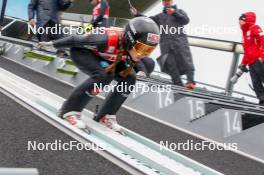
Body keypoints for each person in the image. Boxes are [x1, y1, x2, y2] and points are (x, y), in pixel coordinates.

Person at [38, 17, 160, 131]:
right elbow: (75, 39)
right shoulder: (105, 39)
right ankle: (69, 110)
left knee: (130, 77)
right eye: (142, 49)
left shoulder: (131, 49)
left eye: (149, 50)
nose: (143, 54)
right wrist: (52, 44)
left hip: (107, 58)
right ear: (129, 39)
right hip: (83, 52)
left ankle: (105, 115)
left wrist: (142, 71)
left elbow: (138, 63)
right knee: (104, 75)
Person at [130, 0, 196, 89]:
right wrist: (137, 14)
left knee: (186, 61)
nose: (166, 2)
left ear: (172, 1)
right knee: (171, 65)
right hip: (166, 45)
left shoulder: (180, 11)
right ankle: (178, 86)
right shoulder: (159, 16)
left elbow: (186, 20)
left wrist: (174, 13)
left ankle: (190, 81)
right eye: (164, 1)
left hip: (180, 42)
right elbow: (148, 20)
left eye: (168, 0)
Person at [238, 12, 264, 106]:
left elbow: (263, 40)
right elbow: (247, 52)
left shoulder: (254, 28)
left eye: (241, 20)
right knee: (255, 83)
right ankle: (262, 100)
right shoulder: (244, 35)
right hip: (251, 62)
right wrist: (243, 63)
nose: (239, 23)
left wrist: (262, 56)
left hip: (258, 60)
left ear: (246, 20)